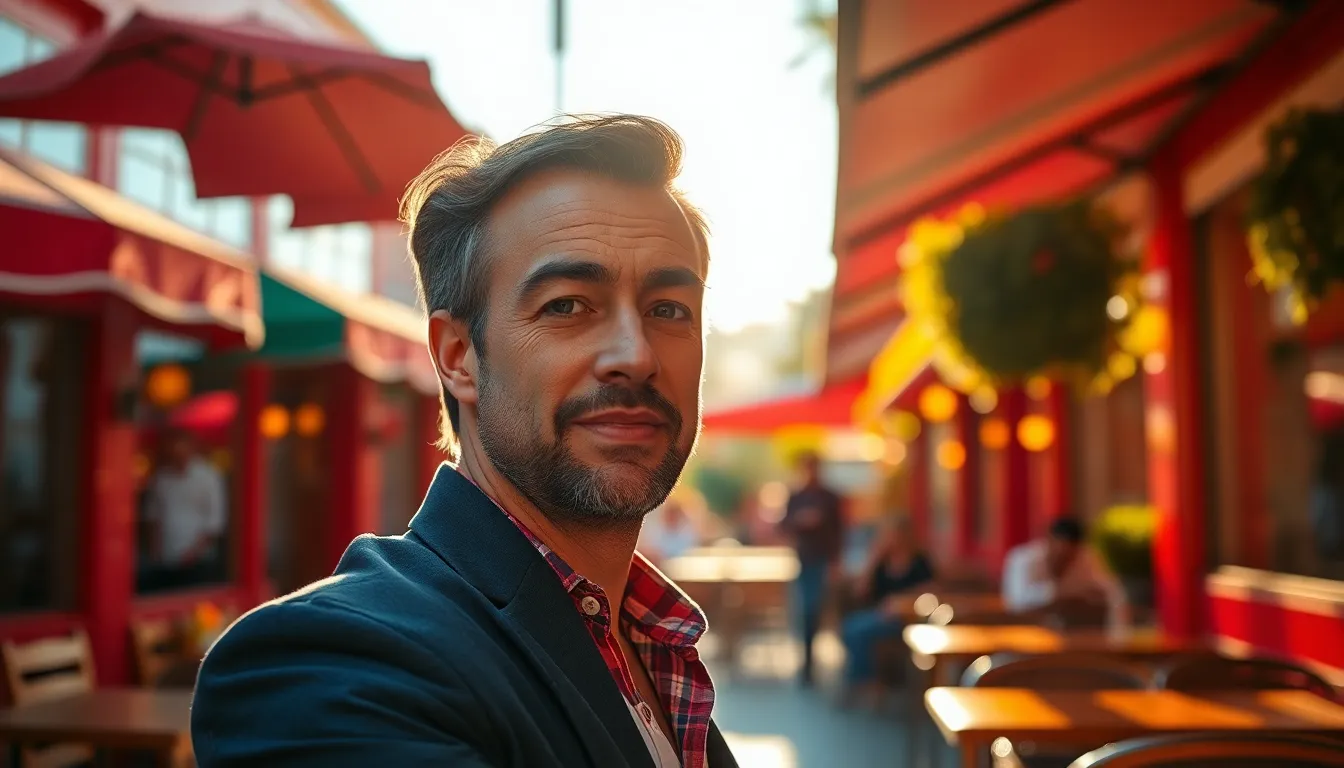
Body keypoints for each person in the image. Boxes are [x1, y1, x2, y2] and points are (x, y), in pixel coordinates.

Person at [191, 116, 738, 768]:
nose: (636, 354)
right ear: (457, 357)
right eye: (567, 305)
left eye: (669, 310)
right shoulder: (335, 663)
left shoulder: (652, 645)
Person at [839, 517, 934, 700]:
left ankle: (866, 682)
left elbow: (930, 591)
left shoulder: (919, 561)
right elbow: (861, 591)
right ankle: (866, 680)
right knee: (852, 628)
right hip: (880, 615)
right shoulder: (882, 561)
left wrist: (901, 601)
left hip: (908, 619)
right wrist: (873, 561)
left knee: (858, 631)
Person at [779, 451, 846, 686]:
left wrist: (836, 562)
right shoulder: (796, 497)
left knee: (819, 610)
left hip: (824, 562)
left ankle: (822, 660)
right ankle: (807, 663)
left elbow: (840, 531)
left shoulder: (830, 498)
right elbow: (784, 525)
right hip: (803, 561)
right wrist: (801, 520)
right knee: (807, 610)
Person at [1002, 516, 1128, 628]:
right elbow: (1016, 601)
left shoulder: (1086, 558)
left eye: (1070, 554)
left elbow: (1113, 593)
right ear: (1049, 541)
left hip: (1074, 634)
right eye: (1060, 552)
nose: (1064, 558)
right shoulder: (1023, 560)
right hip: (1026, 631)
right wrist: (1061, 594)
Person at [142, 428, 226, 590]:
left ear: (192, 448)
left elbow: (214, 522)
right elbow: (153, 518)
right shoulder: (161, 478)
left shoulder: (207, 477)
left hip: (198, 562)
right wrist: (155, 551)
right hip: (165, 560)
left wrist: (193, 554)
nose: (177, 453)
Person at [638, 498, 701, 568]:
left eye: (673, 514)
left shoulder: (686, 534)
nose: (670, 517)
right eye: (668, 513)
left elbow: (687, 554)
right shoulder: (656, 532)